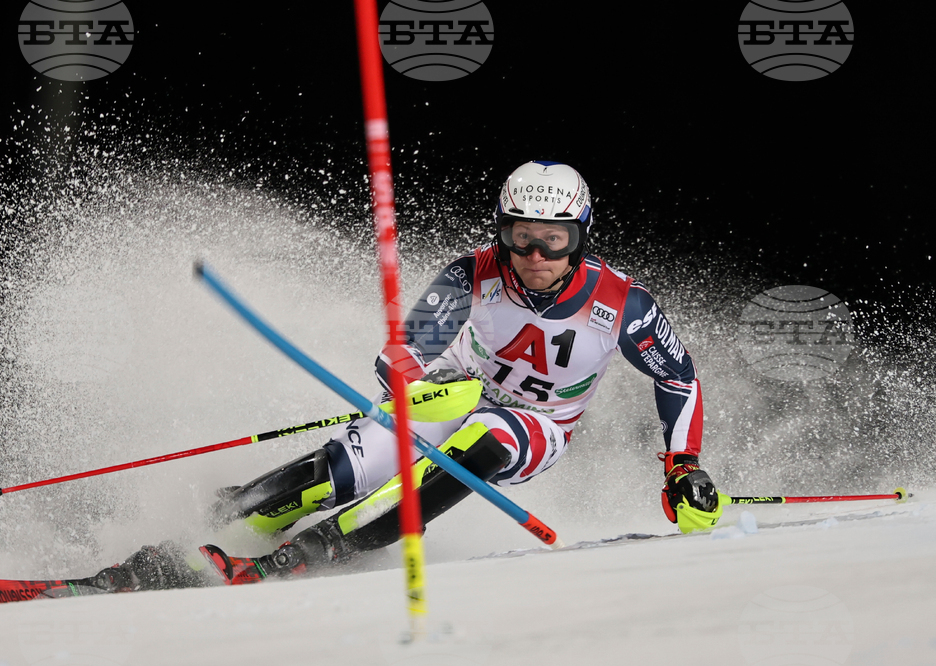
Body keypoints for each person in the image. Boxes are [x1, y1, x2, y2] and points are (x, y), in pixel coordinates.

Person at [92, 161, 723, 591]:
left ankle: (314, 552)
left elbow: (679, 379)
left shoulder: (621, 303)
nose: (534, 256)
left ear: (579, 236)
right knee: (340, 469)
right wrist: (403, 369)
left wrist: (682, 466)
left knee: (477, 447)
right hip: (453, 390)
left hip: (537, 423)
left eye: (552, 241)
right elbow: (419, 345)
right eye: (519, 237)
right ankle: (212, 526)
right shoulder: (470, 272)